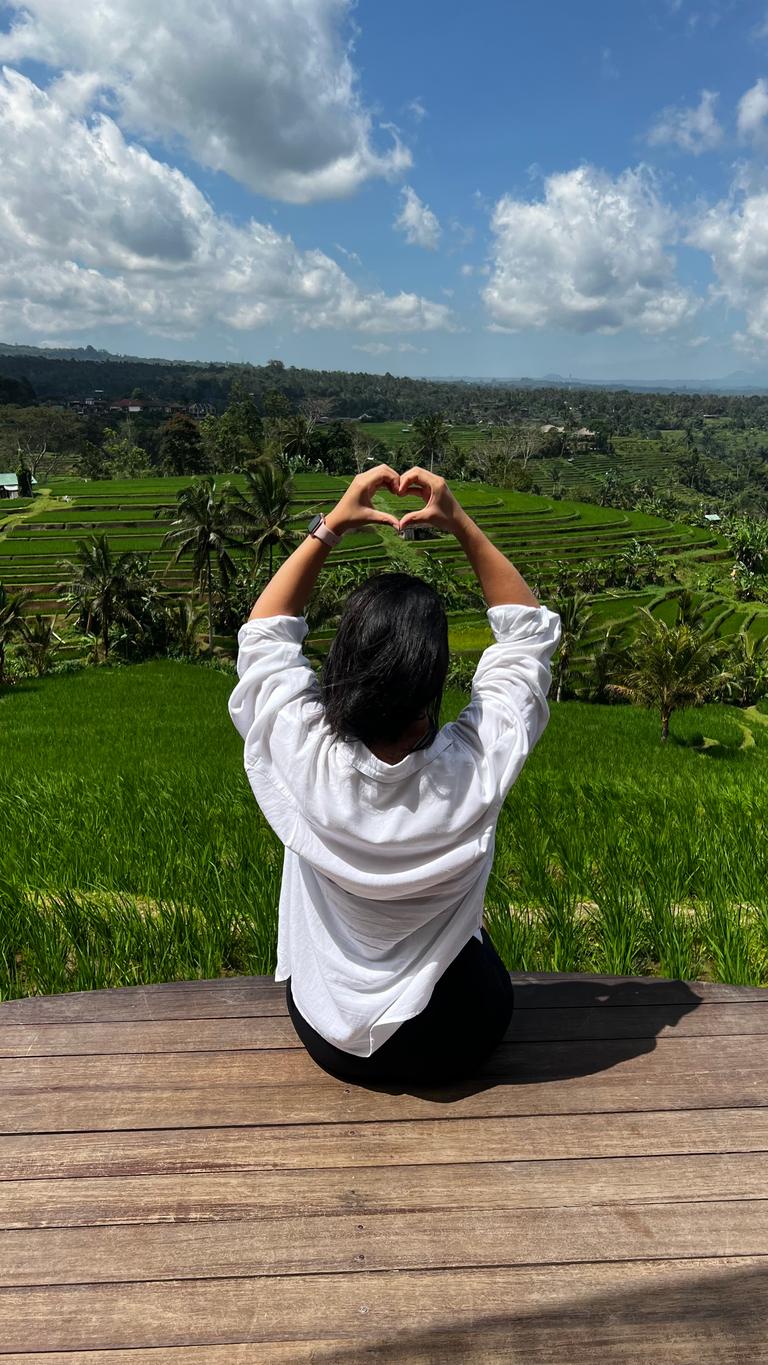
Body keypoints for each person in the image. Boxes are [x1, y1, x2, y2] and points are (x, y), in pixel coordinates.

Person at [228, 464, 562, 1086]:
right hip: (461, 1035)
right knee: (476, 944)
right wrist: (460, 523)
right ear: (434, 676)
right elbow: (526, 638)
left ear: (344, 659)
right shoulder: (474, 767)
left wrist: (330, 525)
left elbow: (264, 635)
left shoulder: (304, 754)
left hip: (333, 1039)